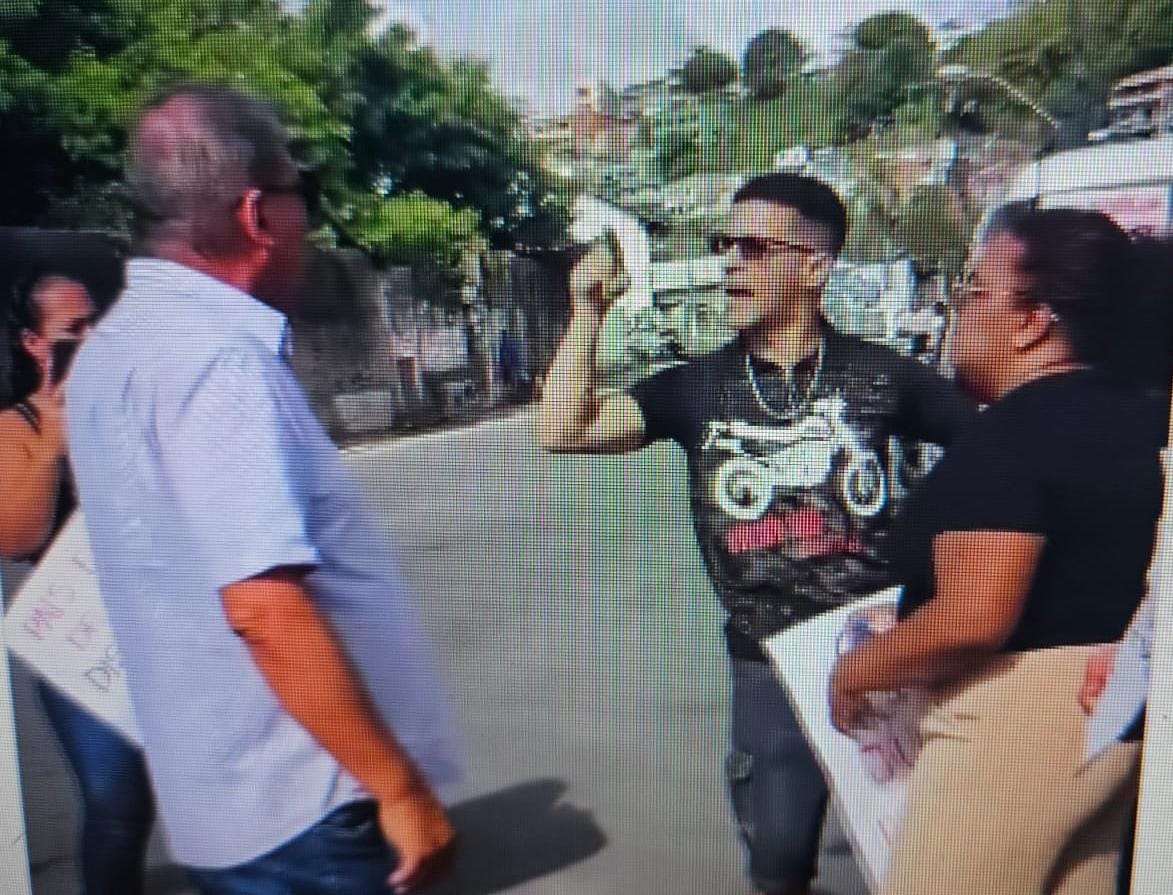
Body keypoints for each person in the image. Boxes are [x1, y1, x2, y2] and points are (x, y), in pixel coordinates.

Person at [65, 83, 460, 895]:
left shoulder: (112, 348)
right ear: (256, 215)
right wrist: (398, 786)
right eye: (300, 193)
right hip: (308, 804)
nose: (305, 221)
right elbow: (263, 608)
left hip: (222, 802)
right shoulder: (217, 359)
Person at [537, 172, 975, 895]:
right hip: (768, 665)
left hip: (887, 651)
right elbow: (563, 429)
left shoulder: (883, 377)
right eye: (724, 245)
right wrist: (586, 311)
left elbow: (989, 451)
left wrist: (946, 573)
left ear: (814, 266)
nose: (730, 264)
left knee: (921, 856)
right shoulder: (696, 388)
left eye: (754, 247)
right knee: (778, 862)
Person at [828, 206, 1162, 895]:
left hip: (1012, 721)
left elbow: (975, 615)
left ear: (1032, 320)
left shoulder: (1018, 431)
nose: (959, 311)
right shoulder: (1140, 413)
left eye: (974, 290)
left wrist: (855, 672)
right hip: (1111, 713)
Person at [0, 273, 155, 895]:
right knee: (117, 803)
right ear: (34, 343)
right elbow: (16, 537)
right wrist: (55, 447)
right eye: (72, 331)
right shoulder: (18, 428)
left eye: (96, 323)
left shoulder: (128, 406)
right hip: (83, 641)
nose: (90, 338)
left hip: (159, 622)